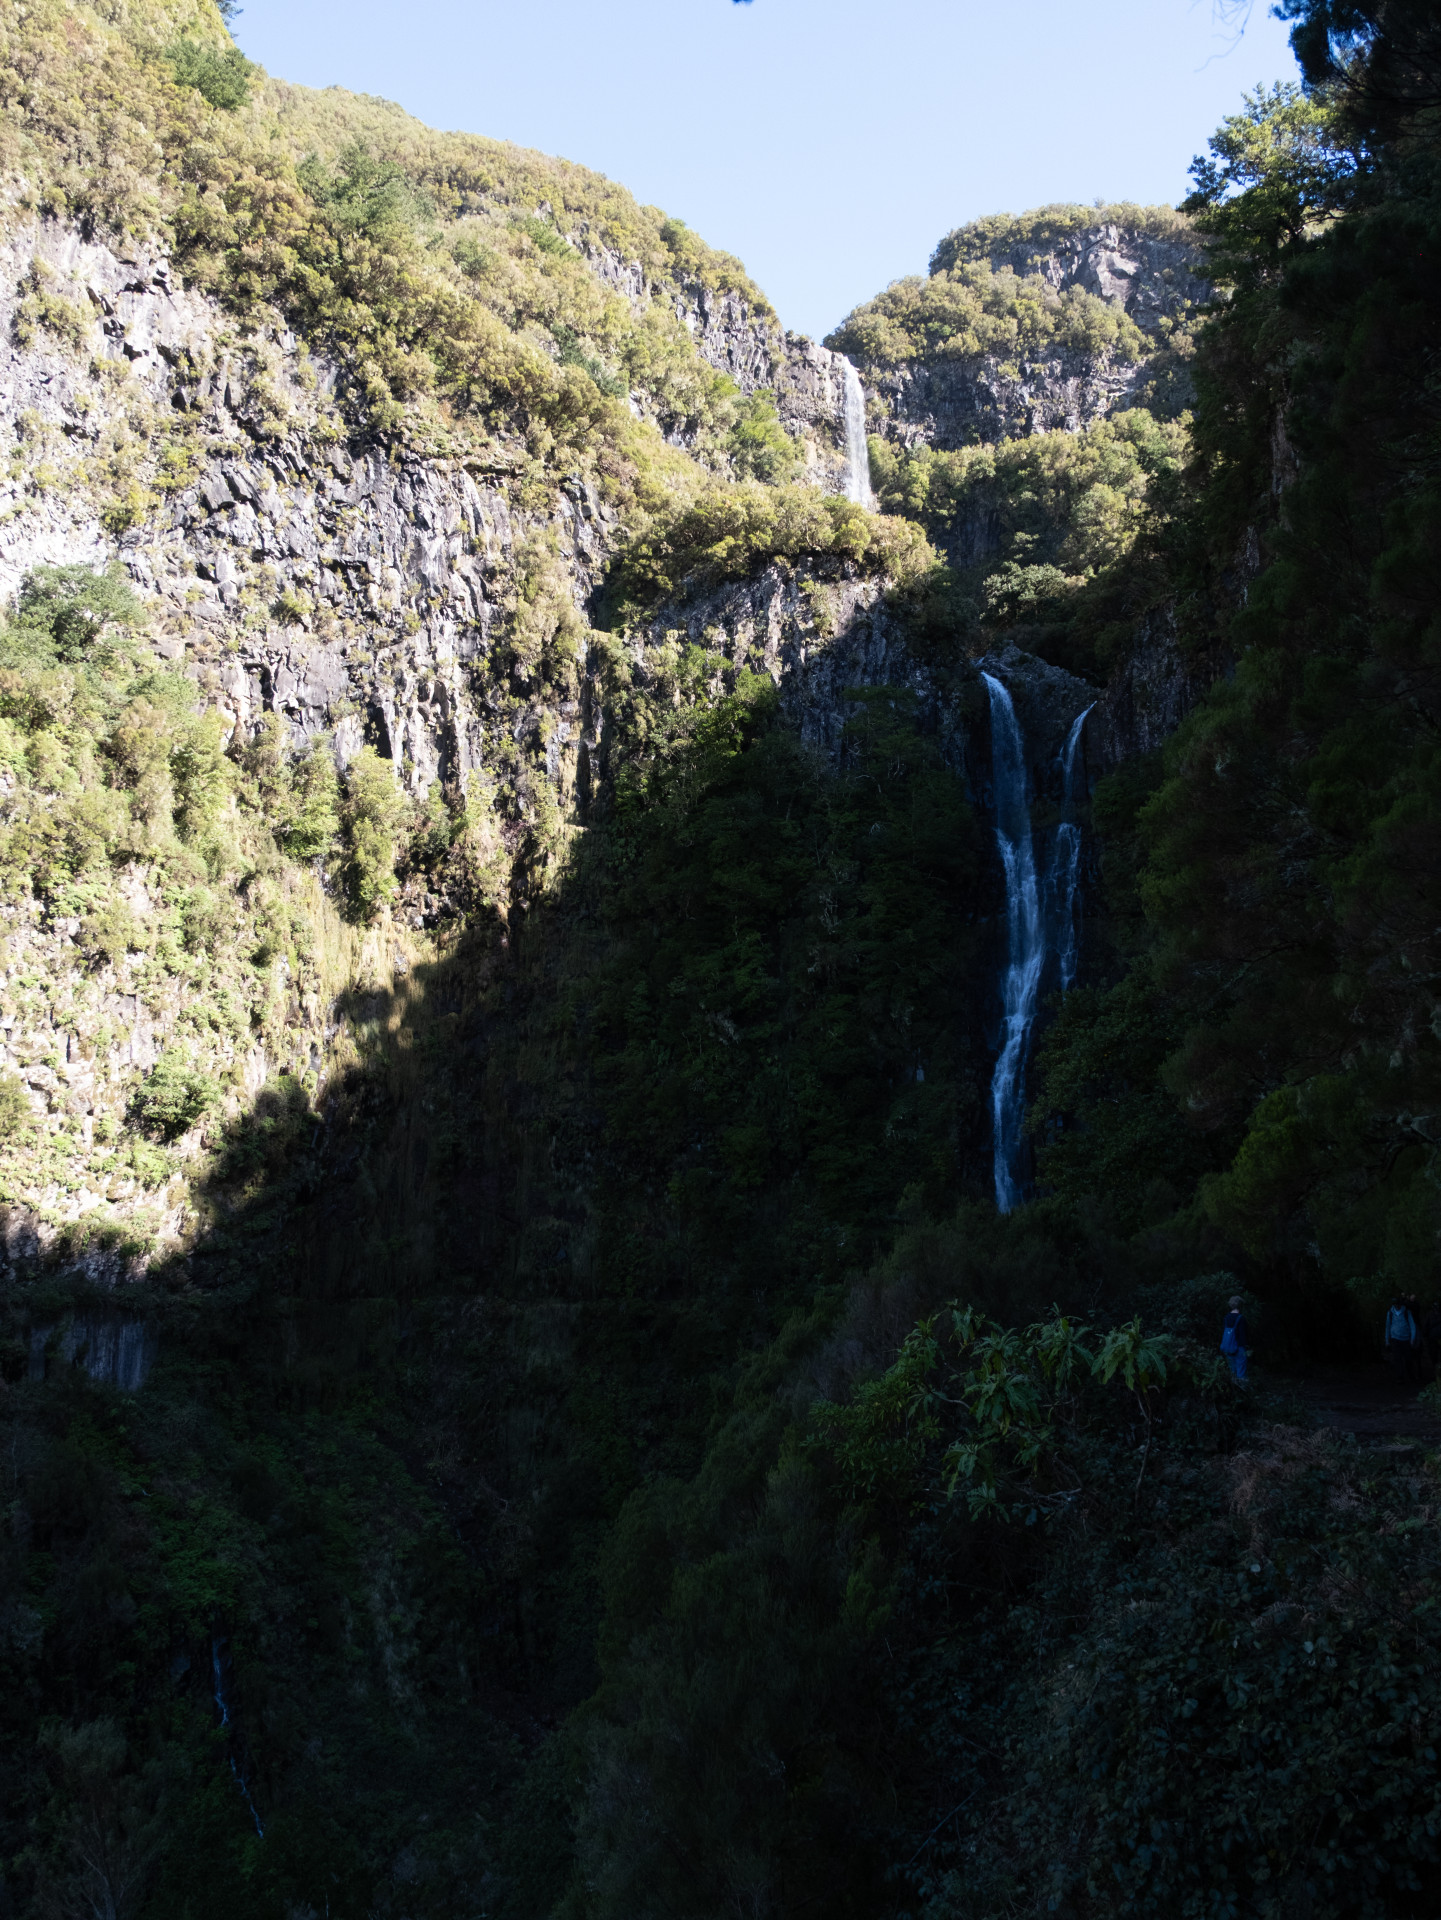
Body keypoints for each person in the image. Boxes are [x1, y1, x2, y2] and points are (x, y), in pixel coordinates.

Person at [1384, 1295, 1416, 1384]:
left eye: (1397, 1304)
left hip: (1406, 1338)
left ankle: (1410, 1376)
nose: (1396, 1306)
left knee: (1408, 1359)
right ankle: (1400, 1377)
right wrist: (1387, 1339)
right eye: (1395, 1305)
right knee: (1397, 1359)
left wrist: (1412, 1338)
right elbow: (1388, 1326)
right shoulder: (1390, 1312)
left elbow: (1412, 1325)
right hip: (1395, 1338)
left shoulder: (1406, 1312)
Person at [1220, 1295, 1249, 1380]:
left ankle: (1234, 1389)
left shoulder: (1226, 1318)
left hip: (1228, 1346)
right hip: (1239, 1347)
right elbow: (1243, 1334)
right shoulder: (1241, 1318)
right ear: (1240, 1305)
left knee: (1232, 1371)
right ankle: (1242, 1389)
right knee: (1241, 1370)